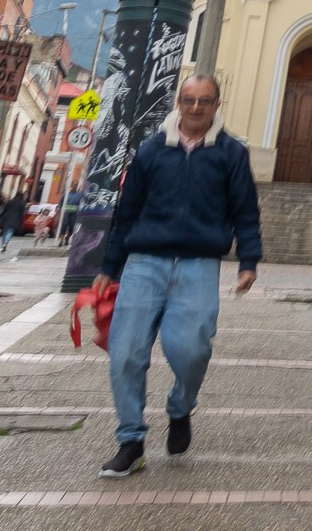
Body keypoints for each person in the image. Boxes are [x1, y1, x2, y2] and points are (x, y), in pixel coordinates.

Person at [93, 76, 262, 479]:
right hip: (144, 263)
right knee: (125, 353)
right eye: (188, 100)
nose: (196, 107)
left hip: (198, 264)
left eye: (204, 101)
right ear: (178, 103)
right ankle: (131, 441)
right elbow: (127, 211)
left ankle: (181, 406)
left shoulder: (232, 153)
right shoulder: (151, 150)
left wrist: (249, 261)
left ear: (217, 104)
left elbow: (245, 210)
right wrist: (109, 267)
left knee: (191, 351)